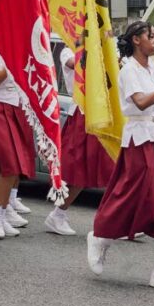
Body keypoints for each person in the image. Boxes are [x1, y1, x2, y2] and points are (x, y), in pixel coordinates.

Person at [85, 21, 154, 291]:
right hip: (140, 139)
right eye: (150, 36)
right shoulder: (129, 70)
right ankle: (100, 236)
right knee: (136, 195)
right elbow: (141, 102)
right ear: (136, 40)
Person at [45, 44, 115, 236]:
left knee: (113, 168)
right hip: (83, 114)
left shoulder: (105, 48)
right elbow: (74, 64)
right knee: (79, 171)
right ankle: (58, 214)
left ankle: (119, 220)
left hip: (104, 113)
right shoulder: (70, 50)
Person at [0, 22, 35, 239]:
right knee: (7, 164)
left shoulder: (15, 44)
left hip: (16, 105)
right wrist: (12, 61)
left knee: (14, 166)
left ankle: (1, 212)